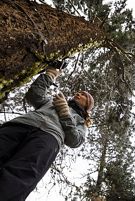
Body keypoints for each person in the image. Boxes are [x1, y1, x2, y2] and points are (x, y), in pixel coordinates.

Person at [0, 63, 94, 201]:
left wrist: (64, 113)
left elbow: (75, 141)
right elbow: (34, 95)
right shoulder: (52, 102)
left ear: (87, 105)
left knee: (19, 176)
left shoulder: (82, 122)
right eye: (78, 92)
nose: (78, 94)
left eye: (83, 95)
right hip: (21, 125)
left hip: (49, 138)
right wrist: (50, 75)